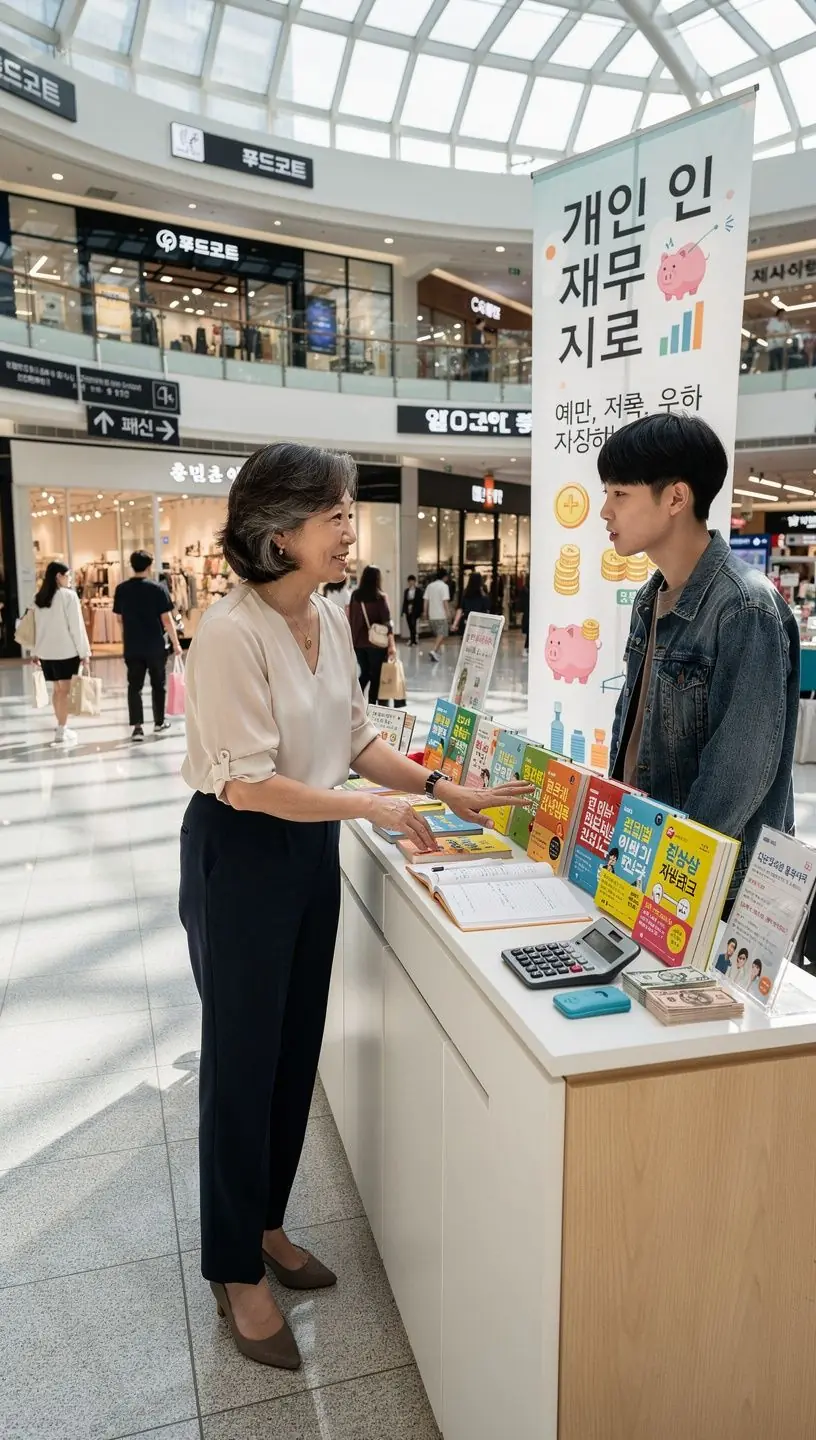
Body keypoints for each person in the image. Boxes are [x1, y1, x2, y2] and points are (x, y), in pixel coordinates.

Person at [178, 441, 532, 1369]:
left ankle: (266, 1223)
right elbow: (248, 784)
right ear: (277, 533)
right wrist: (367, 808)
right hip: (240, 852)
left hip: (309, 846)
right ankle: (234, 1269)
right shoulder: (231, 632)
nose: (348, 529)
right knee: (241, 1062)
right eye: (332, 514)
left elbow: (357, 738)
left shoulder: (331, 617)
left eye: (347, 511)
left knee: (294, 1048)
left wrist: (439, 787)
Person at [600, 413, 799, 908]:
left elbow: (737, 775)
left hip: (708, 888)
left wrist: (670, 874)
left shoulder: (744, 607)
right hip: (648, 862)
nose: (605, 510)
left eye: (619, 493)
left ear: (675, 498)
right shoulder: (651, 598)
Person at [113, 550, 182, 743]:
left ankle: (137, 728)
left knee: (134, 686)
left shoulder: (122, 589)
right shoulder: (158, 589)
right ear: (150, 566)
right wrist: (176, 643)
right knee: (158, 684)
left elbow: (119, 618)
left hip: (133, 645)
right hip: (155, 645)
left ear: (132, 565)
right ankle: (159, 722)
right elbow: (167, 619)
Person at [32, 561, 91, 748]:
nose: (70, 579)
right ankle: (62, 729)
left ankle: (61, 726)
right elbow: (76, 627)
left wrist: (35, 651)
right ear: (59, 576)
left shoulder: (38, 598)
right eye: (68, 575)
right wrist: (84, 652)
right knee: (64, 692)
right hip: (66, 652)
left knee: (57, 691)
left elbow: (35, 628)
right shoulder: (68, 596)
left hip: (46, 652)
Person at [348, 566, 396, 705]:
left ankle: (355, 700)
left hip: (358, 643)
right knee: (376, 676)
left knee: (365, 673)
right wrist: (392, 644)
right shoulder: (380, 597)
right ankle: (373, 706)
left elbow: (351, 618)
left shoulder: (355, 596)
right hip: (377, 644)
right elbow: (387, 622)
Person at [424, 567, 452, 664]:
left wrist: (425, 612)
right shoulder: (444, 586)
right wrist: (448, 613)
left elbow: (426, 600)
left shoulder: (430, 586)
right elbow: (445, 601)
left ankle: (435, 652)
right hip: (441, 615)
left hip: (432, 615)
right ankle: (434, 650)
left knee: (439, 634)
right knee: (442, 634)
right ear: (445, 577)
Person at [452, 570, 491, 636]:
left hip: (468, 622)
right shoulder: (483, 593)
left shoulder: (466, 593)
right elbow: (488, 606)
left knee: (468, 640)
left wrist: (454, 624)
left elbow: (460, 609)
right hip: (481, 623)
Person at [766, 304, 791, 372]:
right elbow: (771, 331)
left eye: (784, 314)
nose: (783, 315)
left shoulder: (786, 323)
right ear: (779, 314)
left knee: (781, 362)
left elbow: (788, 333)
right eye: (782, 314)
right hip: (773, 346)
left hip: (782, 346)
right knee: (773, 363)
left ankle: (780, 372)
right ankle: (771, 374)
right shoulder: (772, 321)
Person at [401, 574, 423, 646]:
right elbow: (405, 601)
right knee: (410, 625)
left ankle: (413, 640)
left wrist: (421, 611)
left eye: (412, 581)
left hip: (415, 610)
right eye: (409, 581)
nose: (411, 582)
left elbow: (420, 601)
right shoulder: (406, 591)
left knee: (413, 624)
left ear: (414, 581)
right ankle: (413, 640)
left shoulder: (418, 591)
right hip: (408, 610)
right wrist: (403, 611)